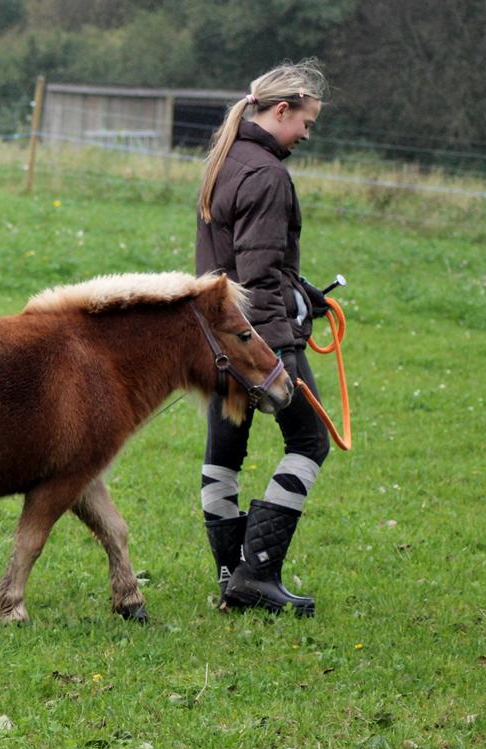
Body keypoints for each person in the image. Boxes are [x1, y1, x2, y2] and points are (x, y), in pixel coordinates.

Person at [195, 59, 331, 616]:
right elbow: (254, 273)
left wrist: (301, 291)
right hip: (257, 345)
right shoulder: (268, 174)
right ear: (281, 110)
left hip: (214, 340)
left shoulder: (226, 160)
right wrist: (281, 354)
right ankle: (257, 574)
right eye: (306, 122)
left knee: (224, 453)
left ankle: (233, 578)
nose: (305, 134)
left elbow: (241, 262)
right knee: (310, 440)